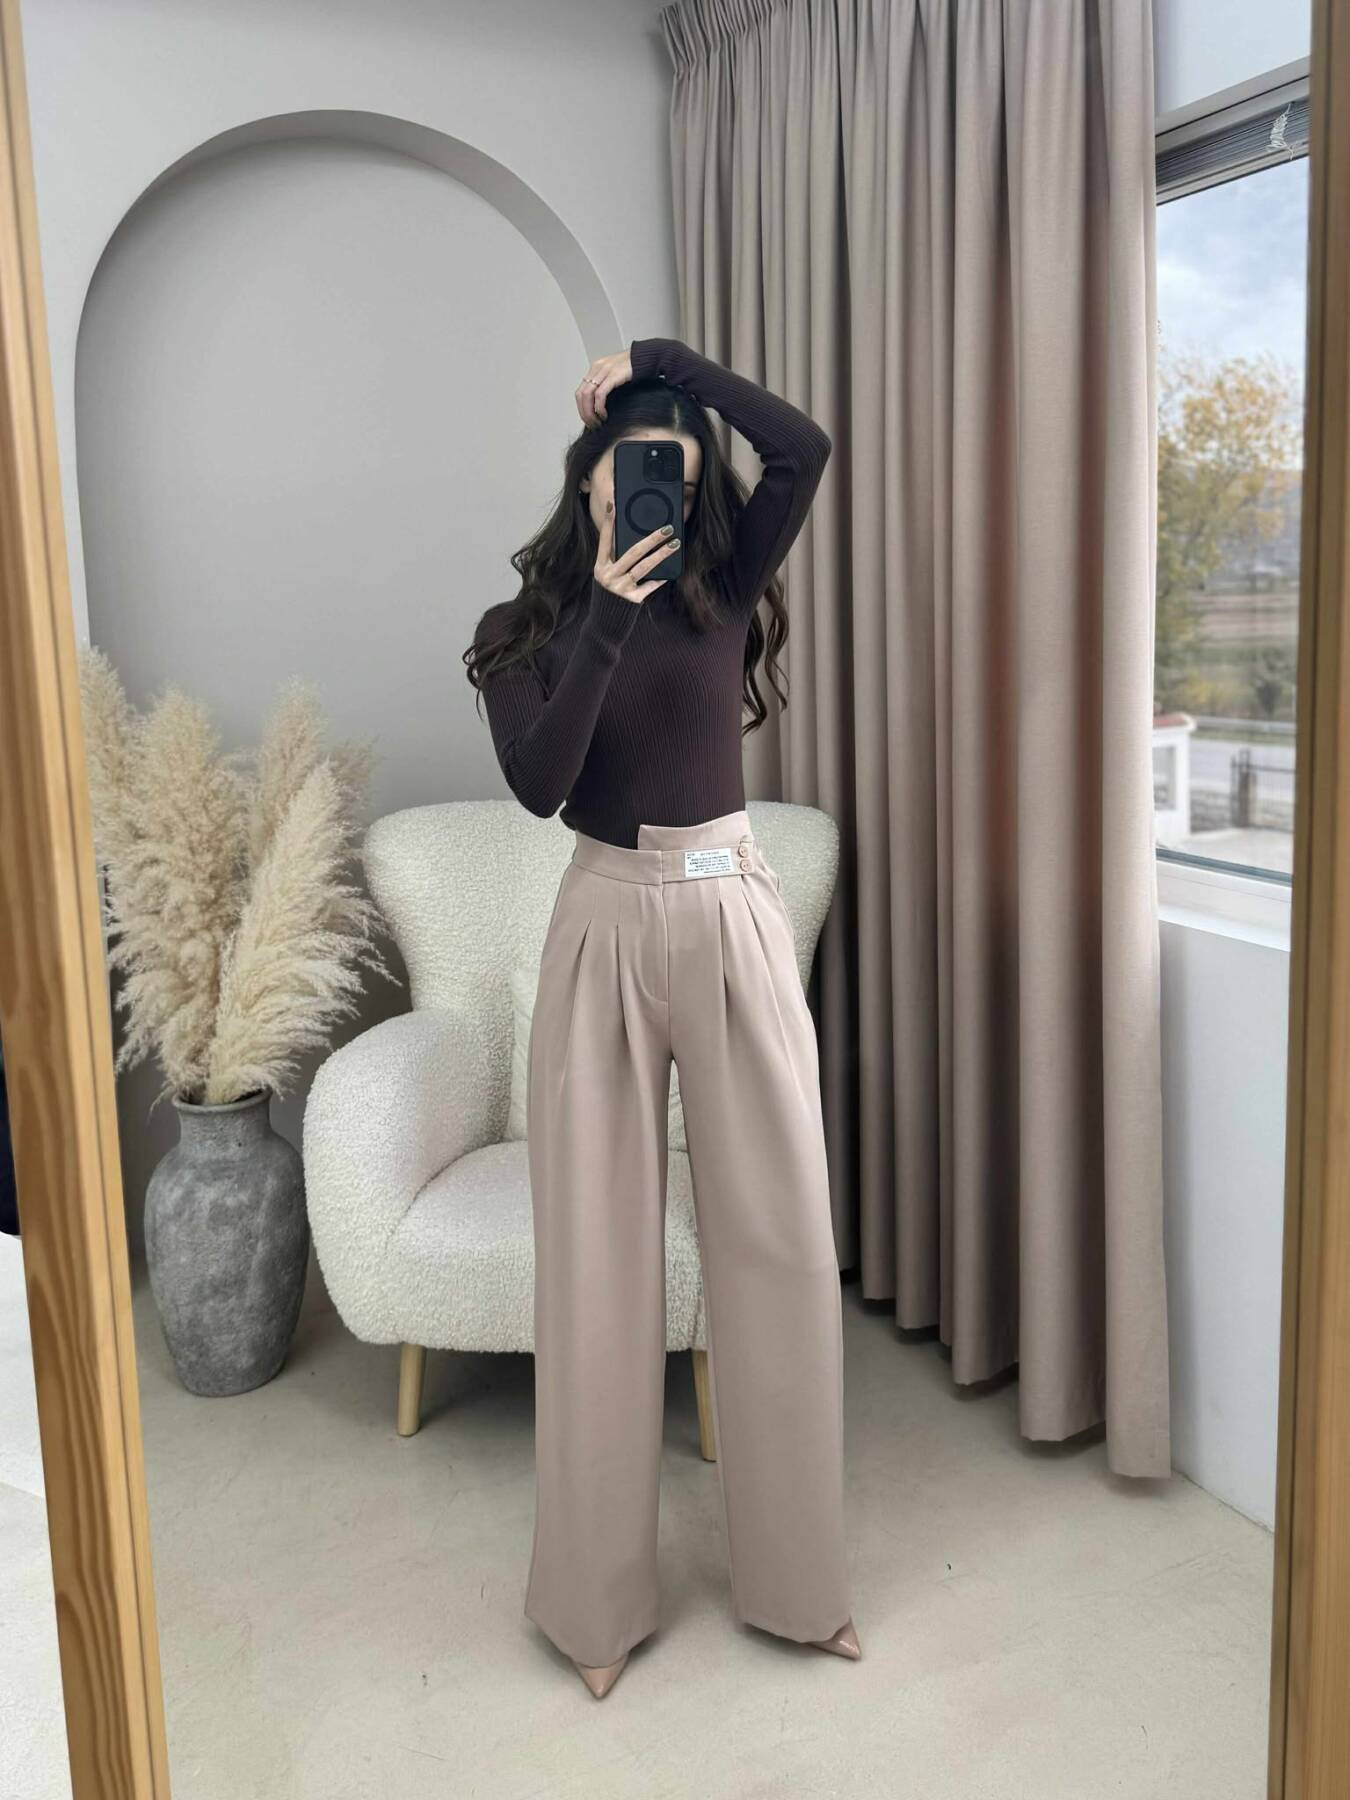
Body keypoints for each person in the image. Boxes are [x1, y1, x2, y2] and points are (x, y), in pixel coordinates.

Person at [464, 337, 859, 1699]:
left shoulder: (723, 586)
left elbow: (802, 448)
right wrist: (605, 615)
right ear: (589, 476)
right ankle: (593, 1612)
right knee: (594, 1264)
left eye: (677, 480)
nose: (655, 496)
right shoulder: (520, 632)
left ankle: (802, 1589)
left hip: (732, 910)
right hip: (603, 921)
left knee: (782, 1247)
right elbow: (542, 785)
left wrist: (664, 366)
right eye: (635, 469)